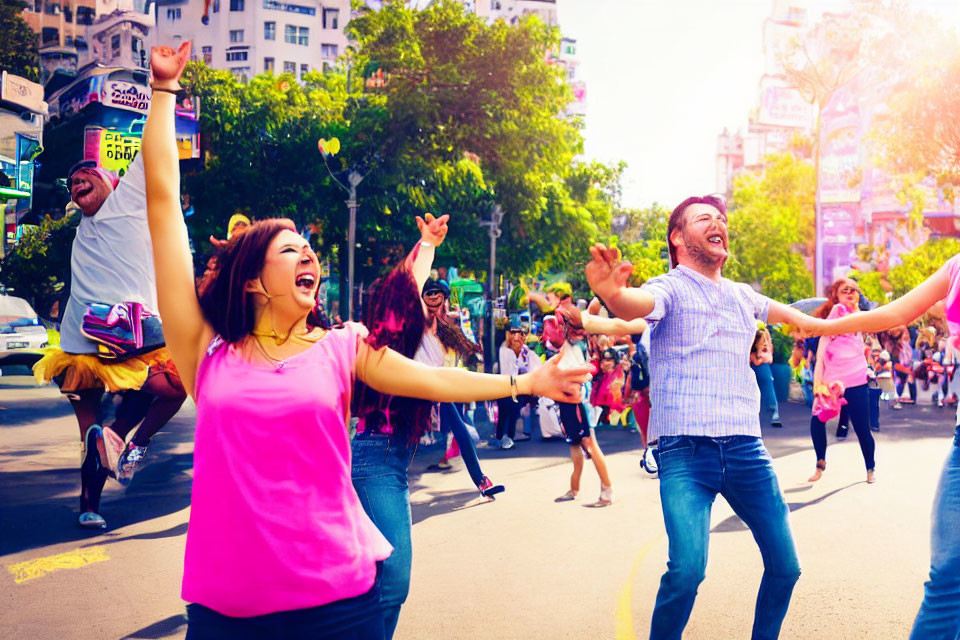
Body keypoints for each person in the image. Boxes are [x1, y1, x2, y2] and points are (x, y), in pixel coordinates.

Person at [140, 43, 591, 639]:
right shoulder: (207, 355)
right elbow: (162, 203)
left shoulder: (340, 347)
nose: (309, 253)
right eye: (289, 248)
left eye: (309, 248)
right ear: (253, 280)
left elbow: (431, 379)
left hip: (338, 607)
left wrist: (526, 382)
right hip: (225, 615)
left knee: (393, 581)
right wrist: (164, 92)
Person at [585, 194, 819, 639]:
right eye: (704, 218)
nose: (718, 222)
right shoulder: (668, 286)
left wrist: (857, 320)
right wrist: (611, 293)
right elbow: (634, 304)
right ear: (677, 237)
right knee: (687, 572)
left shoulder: (742, 295)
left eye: (721, 218)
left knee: (786, 568)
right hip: (686, 453)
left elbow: (809, 322)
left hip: (747, 450)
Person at [32, 91, 188, 531]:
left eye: (86, 175)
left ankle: (120, 448)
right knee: (112, 421)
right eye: (72, 182)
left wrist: (162, 93)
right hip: (91, 348)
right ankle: (109, 470)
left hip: (125, 342)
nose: (76, 180)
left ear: (112, 182)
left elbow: (150, 150)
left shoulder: (130, 201)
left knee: (165, 392)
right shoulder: (82, 225)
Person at [352, 226, 505, 639]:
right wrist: (428, 248)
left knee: (386, 583)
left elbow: (457, 363)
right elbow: (406, 286)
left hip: (408, 433)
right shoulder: (394, 334)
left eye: (436, 294)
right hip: (377, 449)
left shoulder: (445, 326)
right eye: (425, 294)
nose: (429, 298)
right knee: (391, 583)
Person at [810, 255, 960, 640]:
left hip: (860, 383)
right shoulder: (956, 266)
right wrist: (821, 324)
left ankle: (869, 464)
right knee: (947, 574)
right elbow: (893, 313)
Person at [806, 278, 877, 484]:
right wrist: (818, 384)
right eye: (844, 290)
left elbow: (874, 339)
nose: (849, 293)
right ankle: (820, 463)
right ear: (836, 294)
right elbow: (820, 358)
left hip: (856, 381)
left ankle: (870, 467)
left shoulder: (862, 320)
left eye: (853, 291)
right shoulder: (831, 321)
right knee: (816, 420)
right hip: (831, 383)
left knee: (862, 428)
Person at [495, 317, 541, 449]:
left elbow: (530, 365)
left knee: (513, 412)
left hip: (518, 386)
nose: (518, 337)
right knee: (505, 412)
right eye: (514, 333)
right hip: (504, 386)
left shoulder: (525, 350)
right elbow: (508, 369)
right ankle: (501, 437)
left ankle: (508, 437)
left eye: (520, 333)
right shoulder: (504, 349)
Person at [750, 326, 782, 427]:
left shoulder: (766, 349)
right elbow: (756, 361)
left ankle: (774, 413)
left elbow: (769, 359)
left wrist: (761, 358)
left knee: (769, 392)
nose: (765, 342)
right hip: (758, 371)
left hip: (763, 372)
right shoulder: (754, 352)